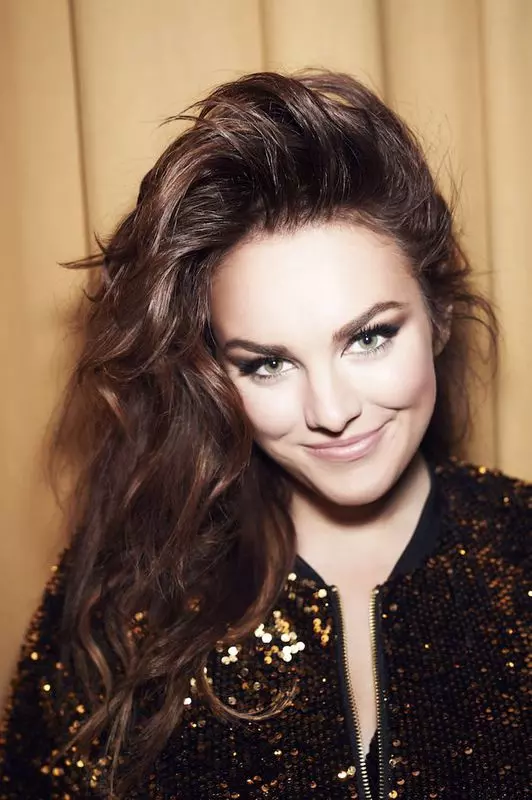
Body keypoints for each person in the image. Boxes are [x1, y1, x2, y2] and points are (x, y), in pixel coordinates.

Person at [0, 70, 529, 800]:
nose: (331, 411)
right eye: (268, 364)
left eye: (369, 337)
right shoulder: (125, 602)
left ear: (437, 314)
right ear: (214, 373)